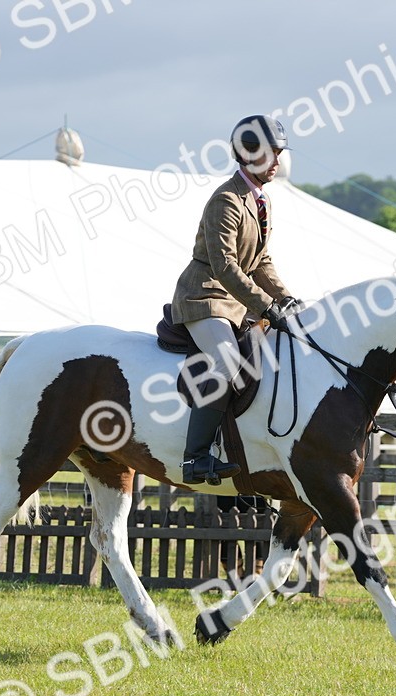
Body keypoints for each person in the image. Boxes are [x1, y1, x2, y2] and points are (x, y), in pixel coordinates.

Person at [170, 114, 302, 485]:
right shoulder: (225, 200)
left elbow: (260, 260)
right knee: (228, 364)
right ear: (248, 155)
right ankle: (194, 458)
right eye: (271, 154)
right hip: (205, 297)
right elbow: (225, 266)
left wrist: (288, 300)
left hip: (236, 303)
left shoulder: (261, 201)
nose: (278, 162)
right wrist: (267, 307)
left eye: (279, 154)